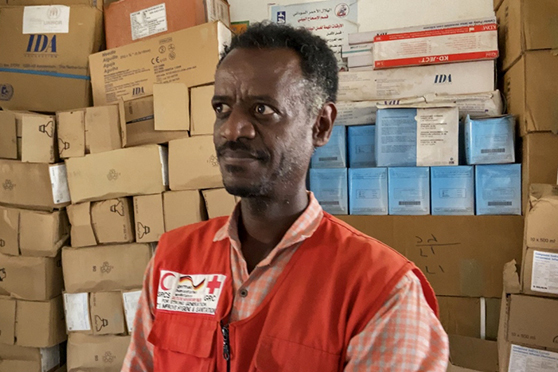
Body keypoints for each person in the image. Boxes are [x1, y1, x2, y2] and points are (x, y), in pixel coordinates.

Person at [122, 22, 449, 372]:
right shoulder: (174, 258)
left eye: (262, 110)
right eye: (222, 109)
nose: (232, 129)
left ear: (320, 125)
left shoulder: (381, 289)